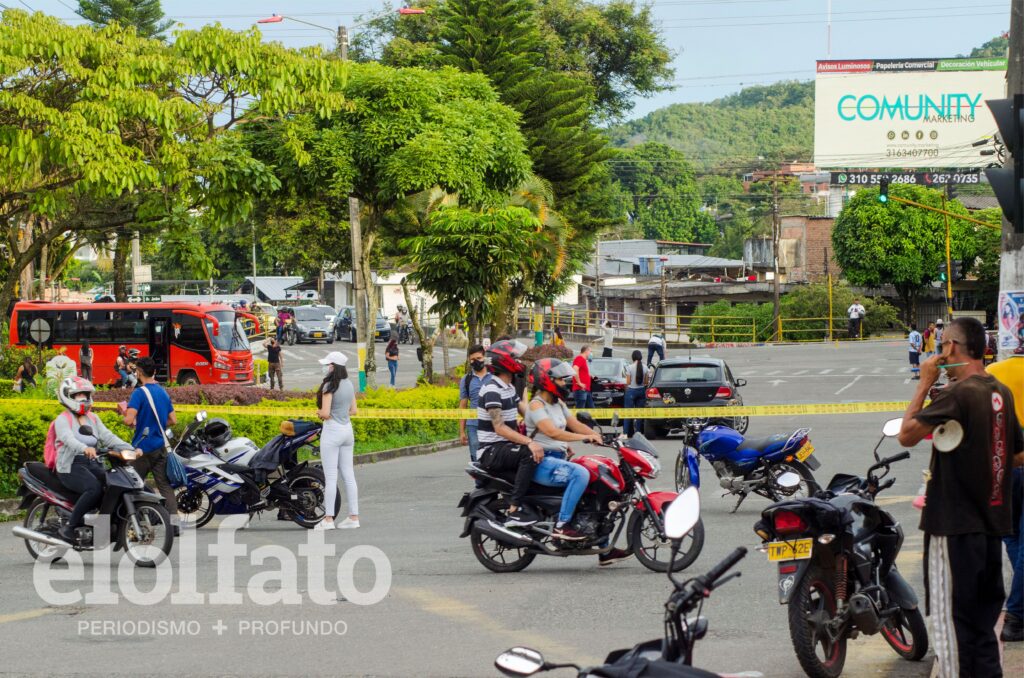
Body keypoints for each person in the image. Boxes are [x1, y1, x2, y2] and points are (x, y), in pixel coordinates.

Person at [897, 317, 1023, 678]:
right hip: (991, 524)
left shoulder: (957, 393)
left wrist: (924, 383)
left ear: (951, 347)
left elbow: (906, 434)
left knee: (952, 628)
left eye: (941, 347)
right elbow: (1017, 453)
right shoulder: (999, 390)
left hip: (953, 526)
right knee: (983, 628)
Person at [52, 377, 138, 544]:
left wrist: (130, 448)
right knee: (94, 489)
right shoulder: (63, 419)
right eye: (78, 395)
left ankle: (101, 523)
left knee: (113, 485)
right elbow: (68, 439)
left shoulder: (93, 418)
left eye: (86, 394)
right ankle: (70, 526)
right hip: (70, 465)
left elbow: (108, 437)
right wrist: (84, 448)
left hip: (92, 462)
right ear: (68, 397)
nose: (83, 398)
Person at [526, 358, 602, 540]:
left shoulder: (558, 404)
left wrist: (599, 435)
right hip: (541, 462)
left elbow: (574, 424)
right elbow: (552, 432)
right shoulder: (536, 405)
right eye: (560, 379)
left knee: (596, 478)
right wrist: (585, 437)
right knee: (580, 474)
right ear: (547, 380)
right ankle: (562, 525)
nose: (564, 383)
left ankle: (603, 546)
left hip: (558, 460)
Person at [474, 339, 543, 527]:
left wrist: (555, 428)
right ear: (505, 361)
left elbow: (528, 413)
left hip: (506, 447)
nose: (520, 362)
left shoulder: (510, 388)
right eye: (515, 358)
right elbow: (499, 427)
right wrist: (529, 441)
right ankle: (515, 509)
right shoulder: (491, 389)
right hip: (492, 450)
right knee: (529, 453)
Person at [987, 353, 1024, 642]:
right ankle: (1016, 615)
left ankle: (1019, 607)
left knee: (1011, 537)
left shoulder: (993, 371)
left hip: (1001, 464)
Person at [123, 357, 179, 534]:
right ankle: (175, 526)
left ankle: (132, 522)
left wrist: (127, 414)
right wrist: (157, 425)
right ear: (154, 372)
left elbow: (128, 420)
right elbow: (173, 420)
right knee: (165, 486)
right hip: (160, 446)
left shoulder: (139, 393)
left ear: (139, 373)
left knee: (128, 484)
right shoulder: (162, 392)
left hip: (141, 449)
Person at [315, 351, 359, 530]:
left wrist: (320, 413)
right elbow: (354, 410)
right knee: (349, 475)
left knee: (331, 477)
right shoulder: (349, 384)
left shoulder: (329, 386)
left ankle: (328, 519)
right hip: (347, 431)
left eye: (328, 364)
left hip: (332, 432)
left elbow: (325, 413)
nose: (326, 367)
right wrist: (340, 413)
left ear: (334, 366)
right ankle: (353, 517)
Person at [458, 345, 488, 463]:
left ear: (485, 358)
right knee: (476, 460)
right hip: (473, 426)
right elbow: (463, 405)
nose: (476, 362)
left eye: (479, 358)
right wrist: (461, 431)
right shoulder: (466, 379)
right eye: (472, 359)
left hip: (493, 425)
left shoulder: (495, 376)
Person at [623, 350, 648, 437]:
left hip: (631, 391)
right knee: (639, 413)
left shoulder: (629, 367)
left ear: (633, 357)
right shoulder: (645, 367)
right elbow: (646, 382)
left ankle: (625, 433)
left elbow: (628, 382)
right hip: (641, 391)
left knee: (627, 413)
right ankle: (638, 433)